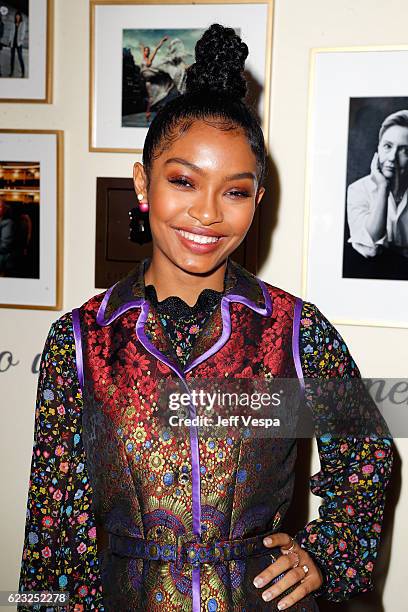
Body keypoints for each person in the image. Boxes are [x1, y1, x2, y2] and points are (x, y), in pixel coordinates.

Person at [18, 24, 393, 611]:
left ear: (257, 202)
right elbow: (54, 519)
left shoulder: (294, 331)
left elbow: (367, 451)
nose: (207, 213)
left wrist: (330, 552)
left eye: (235, 191)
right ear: (144, 183)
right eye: (184, 181)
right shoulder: (81, 340)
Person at [345, 109, 408, 278]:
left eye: (404, 150)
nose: (392, 157)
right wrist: (382, 189)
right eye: (387, 146)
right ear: (378, 148)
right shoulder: (358, 190)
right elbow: (369, 246)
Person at [8, 10, 26, 78]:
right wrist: (10, 41)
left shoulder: (23, 23)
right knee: (12, 58)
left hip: (19, 43)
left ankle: (23, 72)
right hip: (13, 43)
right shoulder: (13, 24)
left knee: (20, 57)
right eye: (16, 16)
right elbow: (11, 33)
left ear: (20, 16)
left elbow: (23, 33)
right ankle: (11, 72)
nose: (17, 17)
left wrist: (21, 40)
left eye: (18, 16)